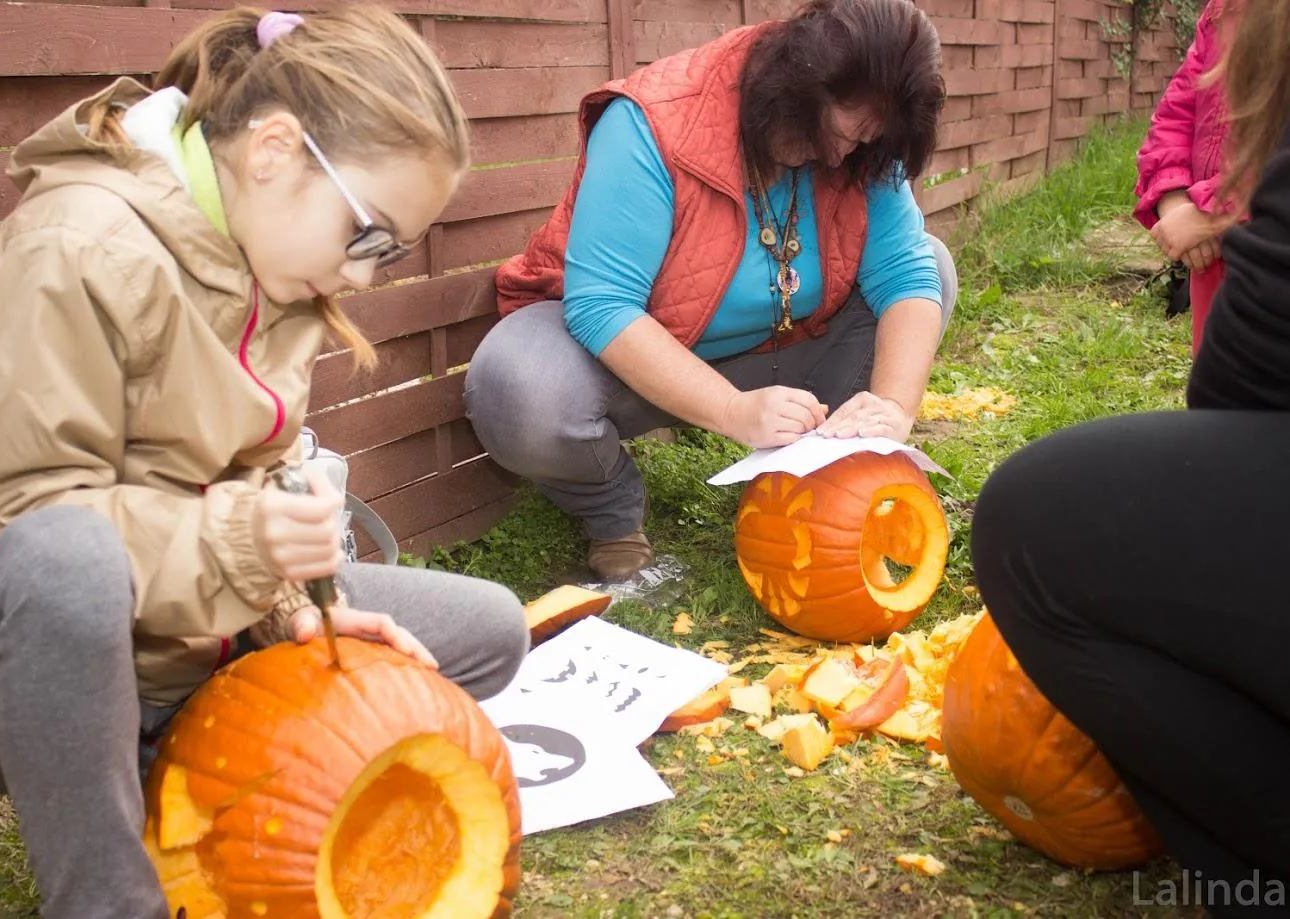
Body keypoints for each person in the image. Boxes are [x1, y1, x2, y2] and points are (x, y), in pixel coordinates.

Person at [0, 6, 528, 918]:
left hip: (192, 633)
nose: (365, 276)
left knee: (489, 629)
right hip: (7, 663)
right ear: (275, 149)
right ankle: (108, 898)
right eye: (366, 235)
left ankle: (190, 775)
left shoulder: (270, 261)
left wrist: (290, 610)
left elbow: (246, 482)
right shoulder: (69, 249)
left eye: (391, 253)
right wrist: (248, 542)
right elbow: (28, 524)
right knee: (65, 559)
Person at [971, 1, 1290, 912]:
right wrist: (1178, 199)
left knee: (1042, 520)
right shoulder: (1224, 18)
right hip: (1232, 284)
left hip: (1252, 279)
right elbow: (1180, 109)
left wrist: (1228, 213)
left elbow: (1258, 359)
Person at [463, 0, 956, 581]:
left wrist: (893, 408)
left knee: (934, 266)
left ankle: (821, 470)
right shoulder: (654, 122)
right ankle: (612, 512)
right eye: (842, 136)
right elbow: (603, 304)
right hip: (633, 363)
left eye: (865, 144)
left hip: (784, 349)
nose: (842, 156)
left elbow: (905, 272)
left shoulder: (864, 137)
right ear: (802, 87)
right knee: (516, 389)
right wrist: (730, 410)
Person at [1133, 0, 1238, 355]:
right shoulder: (1222, 10)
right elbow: (1177, 113)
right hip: (1211, 260)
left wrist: (1213, 212)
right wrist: (1175, 199)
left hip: (1270, 252)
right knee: (1217, 374)